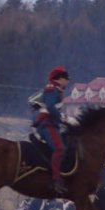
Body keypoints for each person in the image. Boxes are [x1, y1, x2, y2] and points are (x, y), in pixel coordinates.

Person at [31, 66, 71, 194]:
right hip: (47, 124)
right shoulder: (51, 89)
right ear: (59, 79)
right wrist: (63, 119)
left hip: (52, 124)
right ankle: (56, 180)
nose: (68, 81)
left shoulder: (56, 90)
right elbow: (50, 108)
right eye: (66, 78)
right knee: (60, 149)